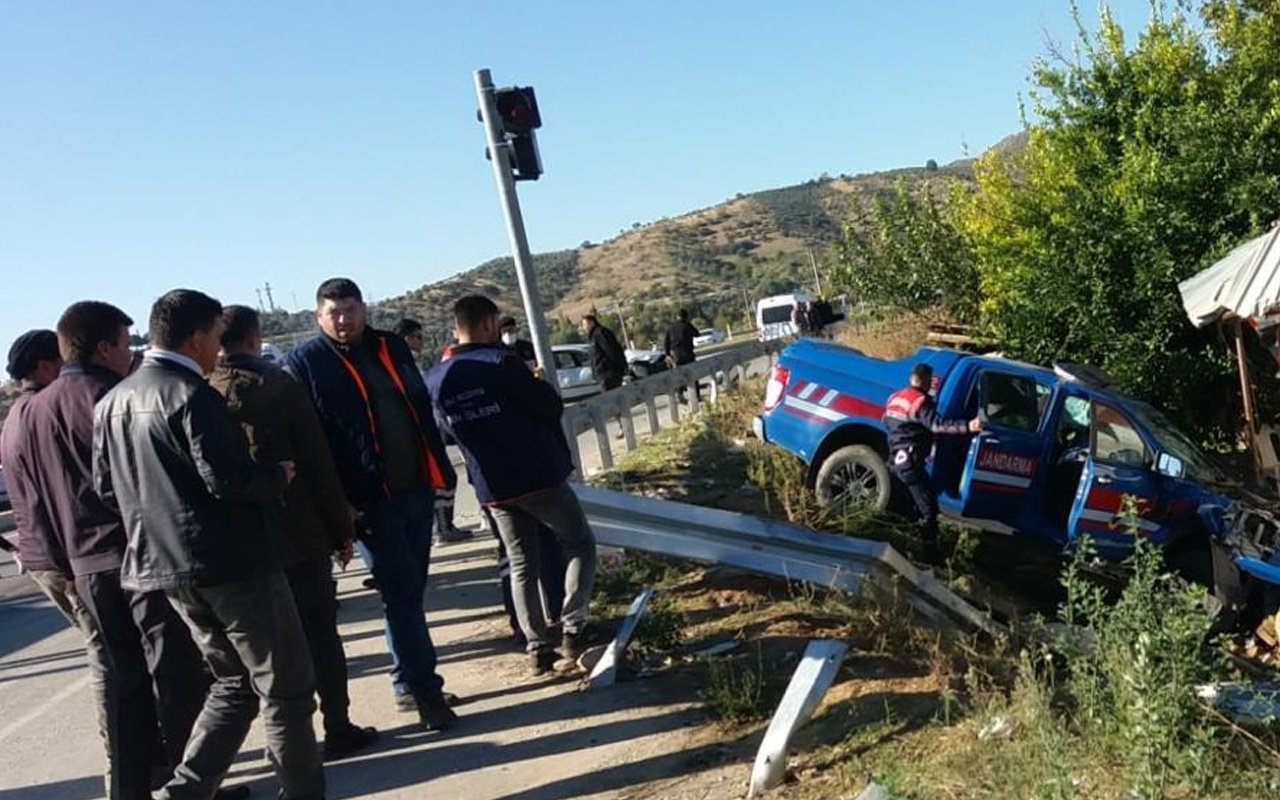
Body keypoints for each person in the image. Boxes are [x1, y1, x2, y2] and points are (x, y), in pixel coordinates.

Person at [94, 289, 325, 800]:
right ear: (197, 338)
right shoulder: (192, 395)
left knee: (233, 684)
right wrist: (277, 476)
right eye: (217, 339)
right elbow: (228, 481)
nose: (220, 351)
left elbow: (108, 490)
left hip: (166, 567)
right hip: (232, 564)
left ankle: (184, 793)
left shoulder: (112, 402)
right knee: (285, 690)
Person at [22, 302, 223, 800]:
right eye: (125, 342)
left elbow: (36, 499)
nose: (129, 353)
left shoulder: (34, 410)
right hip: (137, 558)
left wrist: (63, 564)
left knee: (124, 683)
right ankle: (192, 784)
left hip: (85, 566)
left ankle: (129, 789)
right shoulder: (113, 397)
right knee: (175, 674)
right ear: (106, 346)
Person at [285, 278, 458, 729]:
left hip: (416, 488)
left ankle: (405, 678)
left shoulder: (391, 347)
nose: (343, 320)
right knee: (400, 594)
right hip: (366, 503)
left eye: (350, 310)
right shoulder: (305, 363)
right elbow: (308, 442)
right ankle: (426, 692)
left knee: (410, 592)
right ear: (317, 317)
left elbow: (419, 406)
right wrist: (336, 504)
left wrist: (439, 469)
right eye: (333, 312)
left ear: (364, 309)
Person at [210, 306, 378, 761]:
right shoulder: (279, 384)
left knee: (263, 652)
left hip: (242, 545)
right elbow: (318, 463)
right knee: (319, 634)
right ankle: (337, 726)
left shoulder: (200, 391)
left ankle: (283, 743)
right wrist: (342, 530)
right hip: (300, 534)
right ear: (255, 336)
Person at [428, 296, 597, 676]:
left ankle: (537, 647)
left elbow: (443, 431)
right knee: (580, 543)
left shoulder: (435, 379)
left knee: (521, 564)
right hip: (537, 476)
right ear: (489, 325)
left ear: (457, 327)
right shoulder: (501, 363)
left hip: (492, 488)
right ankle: (573, 627)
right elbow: (549, 406)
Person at [0, 330, 74, 621]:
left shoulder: (15, 419)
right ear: (46, 368)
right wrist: (67, 569)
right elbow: (40, 500)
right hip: (61, 561)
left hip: (42, 558)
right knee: (111, 652)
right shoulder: (45, 416)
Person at [882, 363, 981, 563]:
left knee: (907, 505)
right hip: (910, 461)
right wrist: (968, 426)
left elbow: (886, 420)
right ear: (926, 379)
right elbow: (938, 425)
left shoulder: (895, 397)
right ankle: (929, 556)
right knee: (929, 509)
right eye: (930, 381)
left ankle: (901, 544)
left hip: (894, 458)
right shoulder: (920, 401)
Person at [393, 317, 470, 546]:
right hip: (418, 433)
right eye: (417, 337)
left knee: (443, 479)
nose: (422, 341)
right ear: (406, 338)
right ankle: (442, 529)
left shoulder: (407, 362)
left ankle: (443, 527)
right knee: (443, 479)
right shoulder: (401, 364)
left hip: (425, 429)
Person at [580, 314, 627, 391]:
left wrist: (618, 368)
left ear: (592, 322)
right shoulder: (592, 338)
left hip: (609, 374)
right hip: (602, 375)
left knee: (612, 398)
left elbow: (611, 351)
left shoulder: (600, 333)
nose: (584, 328)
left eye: (585, 324)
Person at [663, 309, 701, 402]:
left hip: (677, 355)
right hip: (688, 353)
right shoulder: (687, 326)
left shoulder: (670, 328)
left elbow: (666, 342)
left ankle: (680, 394)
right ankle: (696, 395)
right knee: (693, 374)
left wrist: (667, 354)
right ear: (686, 317)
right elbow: (697, 334)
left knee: (680, 375)